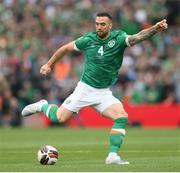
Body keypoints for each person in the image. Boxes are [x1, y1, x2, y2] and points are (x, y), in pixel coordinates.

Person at [21, 12, 168, 165]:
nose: (99, 27)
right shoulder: (88, 39)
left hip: (103, 92)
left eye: (102, 24)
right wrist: (49, 64)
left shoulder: (118, 38)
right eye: (97, 23)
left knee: (121, 116)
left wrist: (154, 29)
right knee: (59, 118)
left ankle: (112, 156)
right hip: (85, 89)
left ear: (110, 26)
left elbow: (137, 37)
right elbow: (65, 48)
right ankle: (43, 106)